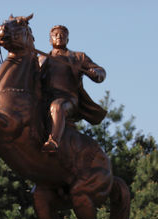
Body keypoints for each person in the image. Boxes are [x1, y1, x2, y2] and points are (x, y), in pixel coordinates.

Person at [39, 25, 107, 153]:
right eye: (56, 35)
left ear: (67, 40)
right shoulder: (41, 59)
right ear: (50, 40)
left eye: (62, 35)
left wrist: (96, 73)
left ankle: (54, 141)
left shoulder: (78, 57)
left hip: (67, 99)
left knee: (57, 106)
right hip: (44, 99)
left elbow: (101, 71)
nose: (59, 36)